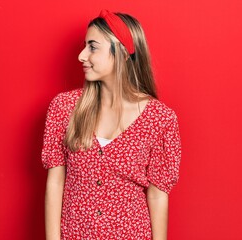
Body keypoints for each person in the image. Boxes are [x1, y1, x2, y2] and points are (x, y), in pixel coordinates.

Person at [41, 9, 182, 240]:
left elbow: (157, 196)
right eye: (84, 46)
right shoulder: (64, 108)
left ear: (122, 53)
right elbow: (55, 184)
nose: (81, 56)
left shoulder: (160, 119)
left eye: (93, 47)